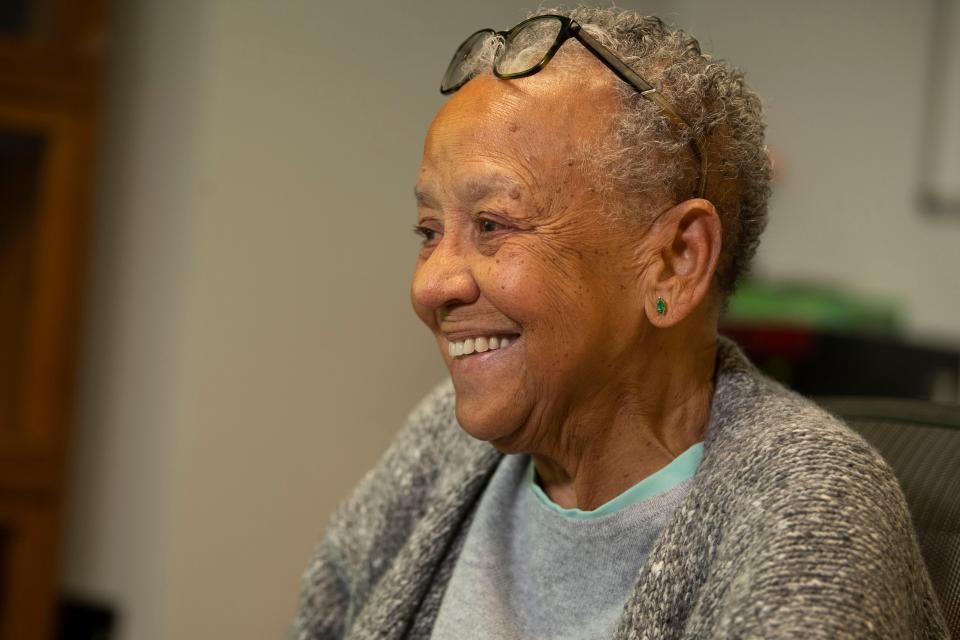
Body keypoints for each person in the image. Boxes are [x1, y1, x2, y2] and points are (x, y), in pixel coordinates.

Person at [292, 7, 948, 639]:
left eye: (492, 226)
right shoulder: (443, 444)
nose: (430, 284)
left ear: (674, 262)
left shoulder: (808, 512)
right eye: (429, 231)